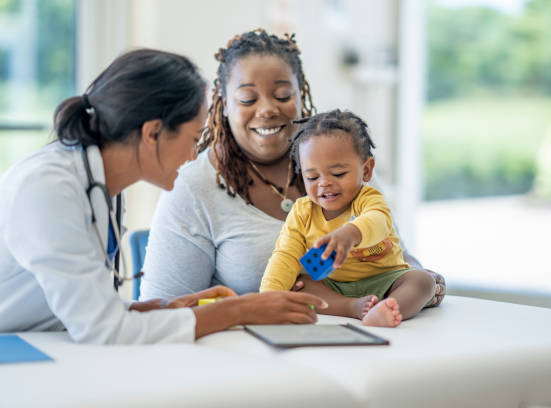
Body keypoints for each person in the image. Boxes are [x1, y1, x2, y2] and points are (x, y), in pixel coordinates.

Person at [0, 48, 325, 345]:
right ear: (153, 132)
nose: (194, 153)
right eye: (194, 138)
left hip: (37, 344)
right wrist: (240, 310)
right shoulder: (46, 188)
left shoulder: (101, 186)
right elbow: (103, 330)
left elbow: (86, 308)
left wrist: (160, 308)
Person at [141, 29, 445, 306]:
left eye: (283, 95)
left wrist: (423, 283)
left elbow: (392, 252)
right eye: (247, 98)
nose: (268, 109)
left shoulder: (342, 160)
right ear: (222, 102)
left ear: (302, 95)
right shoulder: (194, 187)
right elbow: (166, 311)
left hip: (356, 340)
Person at [260, 110, 435, 327]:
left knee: (422, 281)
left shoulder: (368, 198)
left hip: (386, 280)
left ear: (367, 170)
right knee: (298, 284)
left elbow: (378, 221)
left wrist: (351, 233)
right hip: (335, 289)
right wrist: (267, 299)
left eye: (338, 174)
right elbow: (285, 256)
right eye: (312, 177)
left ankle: (389, 307)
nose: (324, 183)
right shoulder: (302, 212)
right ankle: (352, 308)